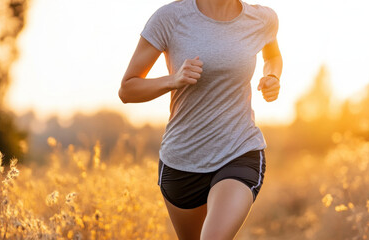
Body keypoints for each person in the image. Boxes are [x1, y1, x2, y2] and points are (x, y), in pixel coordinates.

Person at [118, 0, 282, 239]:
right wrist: (172, 80)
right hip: (182, 160)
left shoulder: (262, 18)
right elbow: (128, 89)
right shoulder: (170, 17)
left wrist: (272, 76)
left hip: (239, 151)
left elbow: (273, 55)